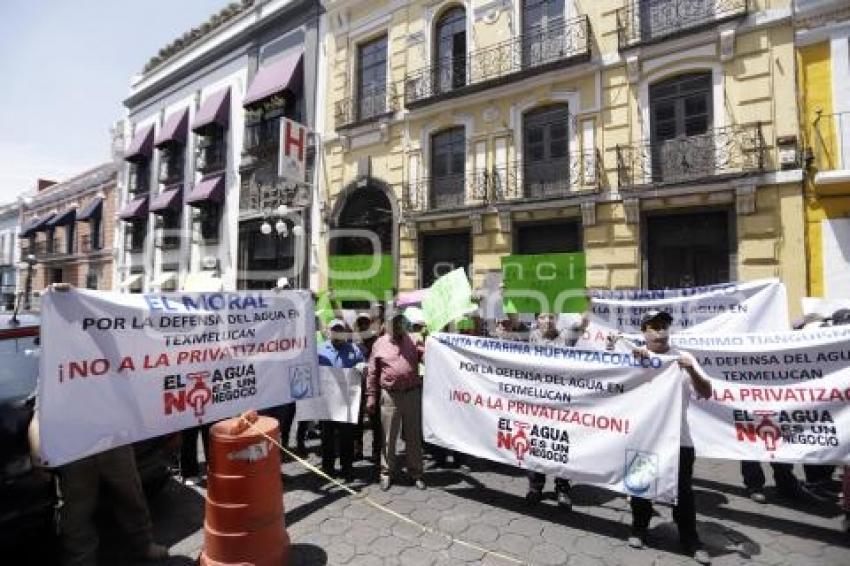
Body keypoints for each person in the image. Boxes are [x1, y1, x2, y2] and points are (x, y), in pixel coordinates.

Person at [621, 310, 712, 565]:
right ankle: (639, 528)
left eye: (664, 326)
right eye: (654, 327)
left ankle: (690, 539)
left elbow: (707, 392)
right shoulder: (635, 356)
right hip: (644, 437)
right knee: (640, 487)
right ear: (644, 332)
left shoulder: (683, 358)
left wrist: (692, 370)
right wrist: (631, 362)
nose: (660, 331)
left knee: (682, 492)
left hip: (678, 439)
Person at [57, 445, 169, 566]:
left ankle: (144, 544)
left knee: (132, 495)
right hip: (74, 450)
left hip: (112, 441)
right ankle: (81, 560)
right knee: (77, 512)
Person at [525, 312, 586, 510]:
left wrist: (587, 302)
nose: (548, 321)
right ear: (537, 320)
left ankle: (562, 489)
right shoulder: (529, 337)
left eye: (551, 317)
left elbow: (583, 324)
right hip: (536, 401)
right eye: (543, 317)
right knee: (536, 442)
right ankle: (535, 487)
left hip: (561, 402)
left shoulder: (566, 336)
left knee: (561, 444)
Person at [366, 312, 425, 491]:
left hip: (412, 394)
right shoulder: (379, 343)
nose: (398, 325)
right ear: (388, 325)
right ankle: (386, 473)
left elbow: (428, 359)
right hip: (390, 395)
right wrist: (370, 396)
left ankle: (416, 473)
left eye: (400, 321)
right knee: (388, 437)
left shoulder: (414, 340)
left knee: (414, 437)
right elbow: (372, 372)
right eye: (394, 322)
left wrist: (430, 344)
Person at [318, 319, 366, 482]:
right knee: (327, 437)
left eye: (340, 330)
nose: (337, 333)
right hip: (327, 401)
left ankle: (347, 468)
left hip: (347, 401)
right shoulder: (319, 349)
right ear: (329, 332)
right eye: (334, 330)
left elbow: (362, 363)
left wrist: (361, 367)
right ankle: (327, 468)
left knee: (347, 437)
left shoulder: (353, 349)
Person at [354, 311, 382, 465]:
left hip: (374, 387)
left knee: (376, 423)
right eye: (361, 323)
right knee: (357, 421)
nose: (363, 325)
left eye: (366, 322)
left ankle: (376, 452)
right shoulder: (354, 343)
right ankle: (358, 449)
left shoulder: (378, 342)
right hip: (357, 386)